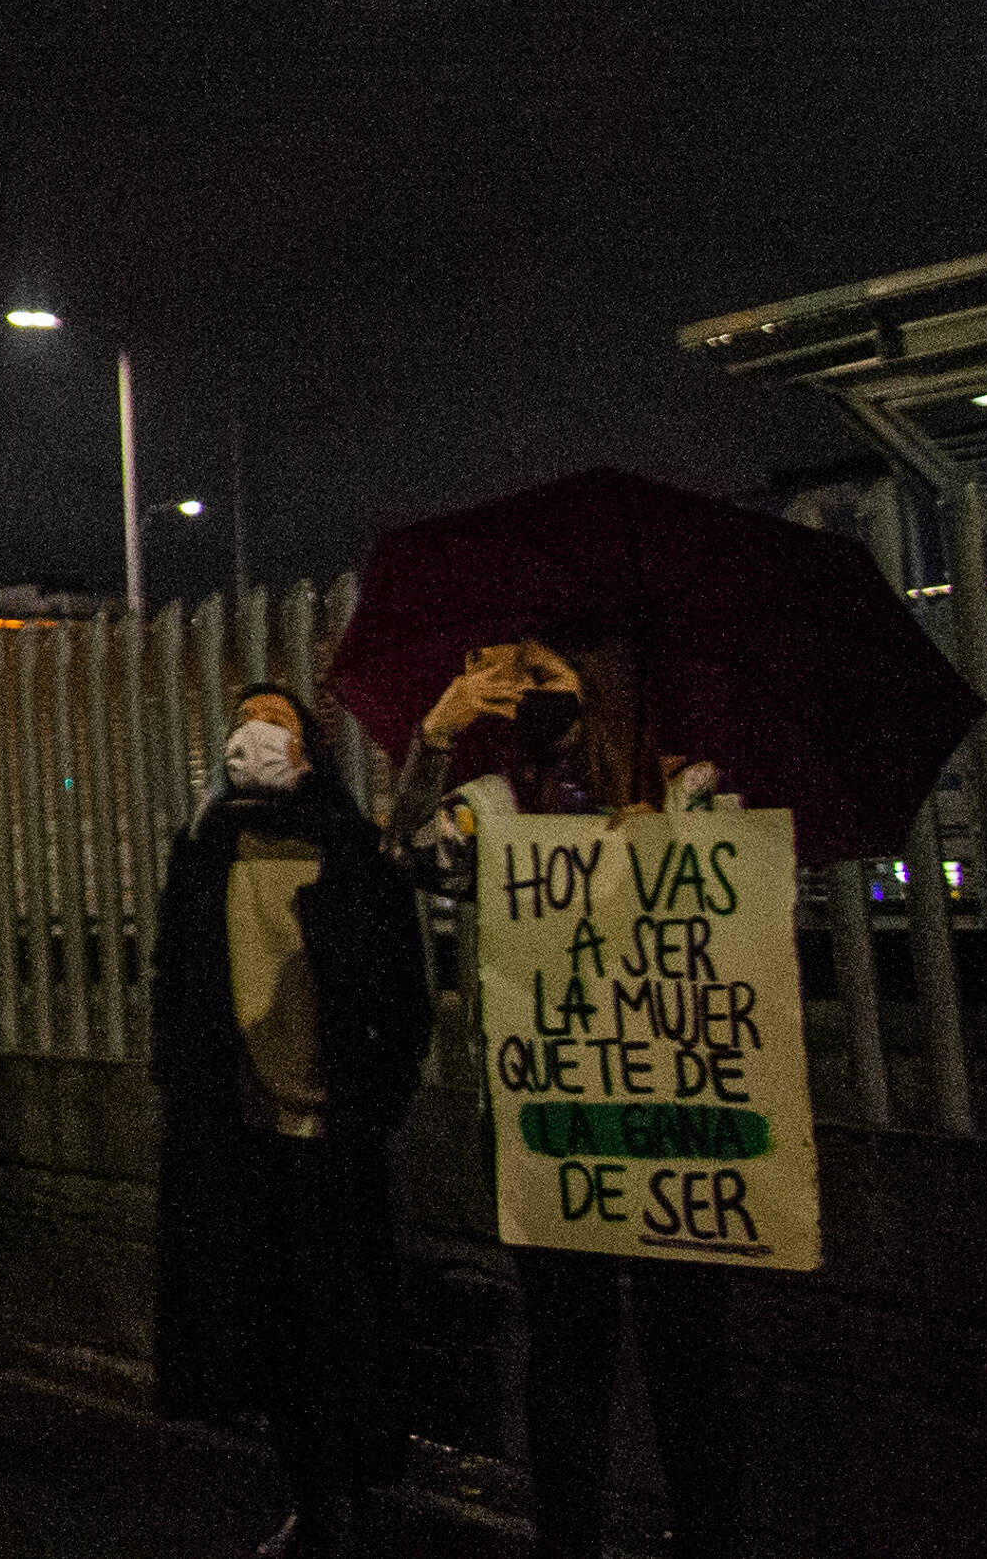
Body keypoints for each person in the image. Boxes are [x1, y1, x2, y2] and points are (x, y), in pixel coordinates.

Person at [387, 639, 745, 1559]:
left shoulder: (695, 788)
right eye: (510, 682)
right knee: (567, 1350)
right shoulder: (494, 806)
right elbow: (412, 855)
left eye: (541, 677)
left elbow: (747, 909)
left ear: (607, 684)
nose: (524, 698)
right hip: (554, 1120)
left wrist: (660, 834)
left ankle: (709, 1532)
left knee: (689, 1352)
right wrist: (437, 734)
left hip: (675, 1122)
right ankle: (568, 1540)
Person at [152, 684, 428, 1559]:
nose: (255, 735)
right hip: (243, 1142)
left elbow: (401, 987)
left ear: (310, 751)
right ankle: (312, 1501)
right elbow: (174, 989)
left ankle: (350, 1493)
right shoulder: (204, 855)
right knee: (273, 1339)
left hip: (334, 1142)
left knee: (340, 1330)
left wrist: (377, 1100)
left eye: (276, 722)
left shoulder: (349, 852)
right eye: (245, 720)